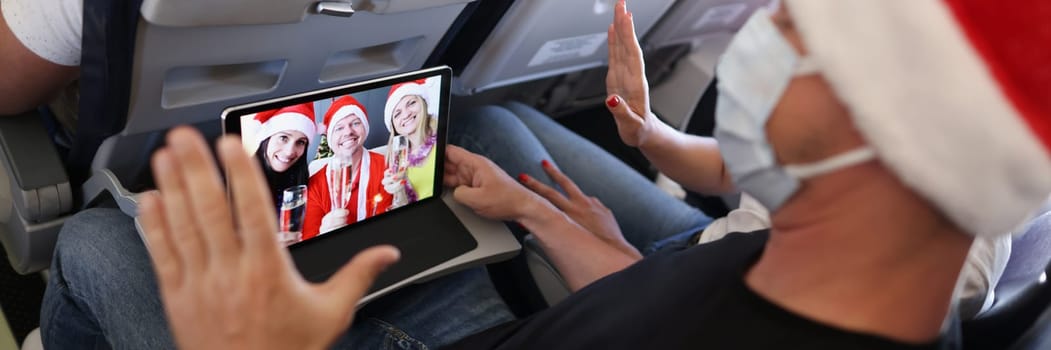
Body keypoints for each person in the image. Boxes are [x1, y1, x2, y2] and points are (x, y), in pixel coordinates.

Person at [136, 0, 1051, 349]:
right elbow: (675, 287)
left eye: (801, 29)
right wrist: (570, 223)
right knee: (492, 132)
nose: (769, 29)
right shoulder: (832, 264)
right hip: (640, 281)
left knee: (109, 242)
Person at [302, 95, 392, 239]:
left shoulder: (387, 166)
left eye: (355, 123)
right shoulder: (315, 185)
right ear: (330, 137)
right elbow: (309, 243)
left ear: (365, 127)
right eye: (339, 128)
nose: (348, 132)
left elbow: (388, 227)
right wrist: (322, 234)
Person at [381, 78, 440, 207]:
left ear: (423, 103)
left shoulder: (443, 137)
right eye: (397, 114)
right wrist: (399, 191)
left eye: (411, 103)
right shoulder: (397, 160)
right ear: (394, 127)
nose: (406, 114)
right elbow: (404, 206)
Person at [250, 103, 317, 209]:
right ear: (267, 138)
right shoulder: (240, 180)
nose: (289, 152)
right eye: (283, 138)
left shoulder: (303, 181)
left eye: (300, 142)